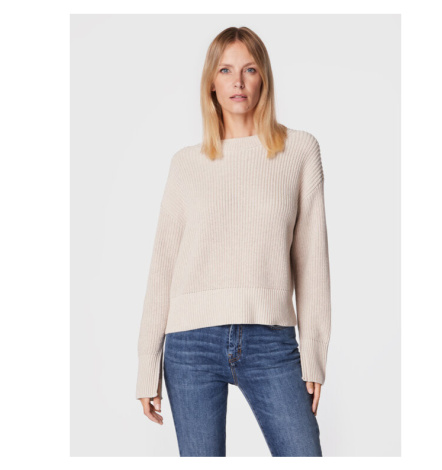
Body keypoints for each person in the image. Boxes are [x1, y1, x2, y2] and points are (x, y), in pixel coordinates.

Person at [136, 26, 332, 457]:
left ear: (264, 78)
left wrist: (315, 353)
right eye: (225, 70)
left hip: (271, 340)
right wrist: (147, 363)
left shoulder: (299, 151)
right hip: (190, 344)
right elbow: (163, 266)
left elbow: (312, 262)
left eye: (249, 69)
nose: (238, 82)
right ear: (211, 82)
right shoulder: (186, 164)